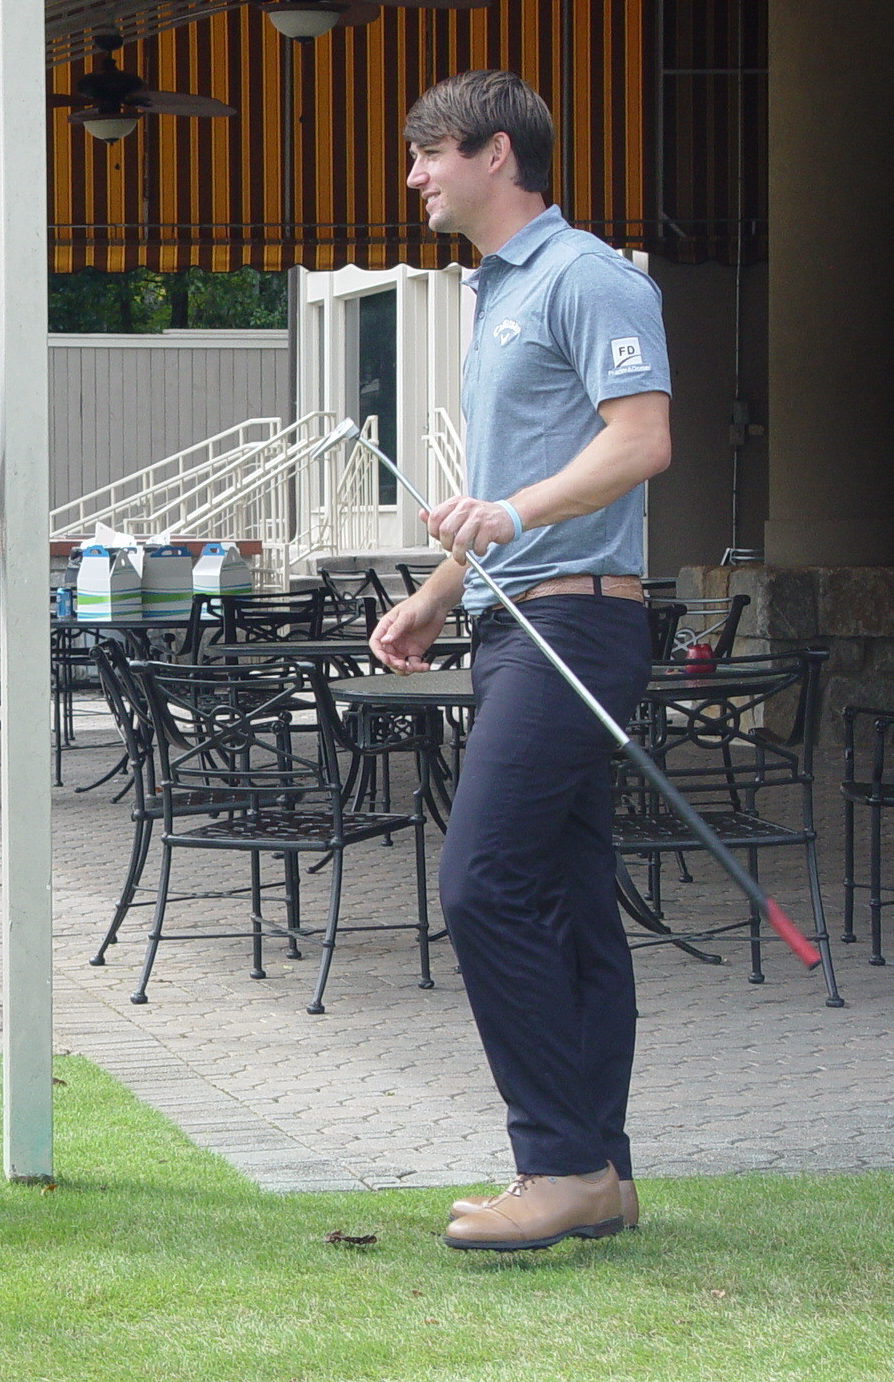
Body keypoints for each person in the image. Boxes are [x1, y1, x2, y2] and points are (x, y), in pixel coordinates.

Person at [367, 70, 672, 1254]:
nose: (412, 178)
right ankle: (603, 1171)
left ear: (494, 153)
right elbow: (517, 499)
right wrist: (437, 595)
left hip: (576, 631)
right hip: (515, 620)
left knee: (480, 882)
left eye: (425, 153)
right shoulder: (497, 293)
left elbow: (640, 441)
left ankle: (555, 1162)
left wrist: (501, 517)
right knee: (565, 897)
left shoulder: (587, 276)